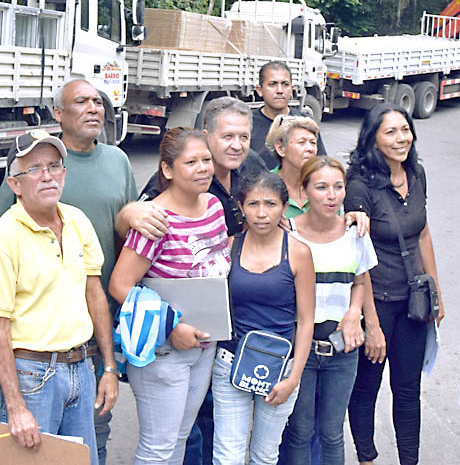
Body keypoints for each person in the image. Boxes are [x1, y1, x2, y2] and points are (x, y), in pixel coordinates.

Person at [0, 79, 141, 465]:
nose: (47, 176)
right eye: (35, 169)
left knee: (85, 454)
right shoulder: (5, 236)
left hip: (82, 360)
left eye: (54, 166)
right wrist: (8, 395)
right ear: (14, 184)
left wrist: (107, 365)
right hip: (33, 369)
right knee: (27, 459)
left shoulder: (78, 219)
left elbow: (95, 294)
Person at [109, 128, 231, 465]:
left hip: (205, 343)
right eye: (191, 162)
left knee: (179, 437)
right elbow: (120, 285)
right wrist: (171, 326)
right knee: (158, 448)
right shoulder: (155, 220)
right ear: (167, 170)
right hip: (164, 350)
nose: (203, 168)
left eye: (206, 160)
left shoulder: (214, 207)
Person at [345, 103, 444, 465]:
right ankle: (366, 458)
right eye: (390, 132)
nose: (401, 138)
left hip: (413, 301)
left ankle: (409, 460)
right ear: (372, 138)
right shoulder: (359, 186)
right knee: (366, 388)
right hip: (378, 301)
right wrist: (370, 324)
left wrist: (436, 292)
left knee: (407, 390)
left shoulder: (417, 174)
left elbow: (423, 234)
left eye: (405, 130)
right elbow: (358, 258)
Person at [212, 171, 315, 465]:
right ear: (241, 207)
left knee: (264, 457)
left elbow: (306, 320)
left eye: (270, 204)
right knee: (227, 457)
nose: (261, 213)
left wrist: (293, 379)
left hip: (280, 368)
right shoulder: (230, 247)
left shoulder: (298, 253)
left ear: (284, 207)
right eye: (253, 204)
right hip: (230, 364)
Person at [281, 156, 379, 465]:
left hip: (343, 349)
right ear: (305, 190)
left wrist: (354, 313)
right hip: (301, 349)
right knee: (299, 430)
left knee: (332, 433)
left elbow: (360, 280)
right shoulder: (288, 232)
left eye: (338, 187)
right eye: (321, 187)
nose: (331, 195)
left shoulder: (355, 232)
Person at [138, 96, 265, 237]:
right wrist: (128, 213)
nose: (237, 146)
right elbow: (139, 218)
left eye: (244, 137)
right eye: (228, 136)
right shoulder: (181, 176)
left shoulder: (253, 165)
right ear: (206, 136)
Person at [250, 61, 326, 168]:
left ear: (292, 89)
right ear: (259, 90)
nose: (280, 90)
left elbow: (320, 165)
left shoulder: (304, 123)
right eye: (272, 84)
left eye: (285, 84)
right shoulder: (247, 124)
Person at [265, 114, 320, 218]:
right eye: (301, 142)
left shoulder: (325, 186)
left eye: (313, 143)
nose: (310, 149)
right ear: (281, 149)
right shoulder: (262, 187)